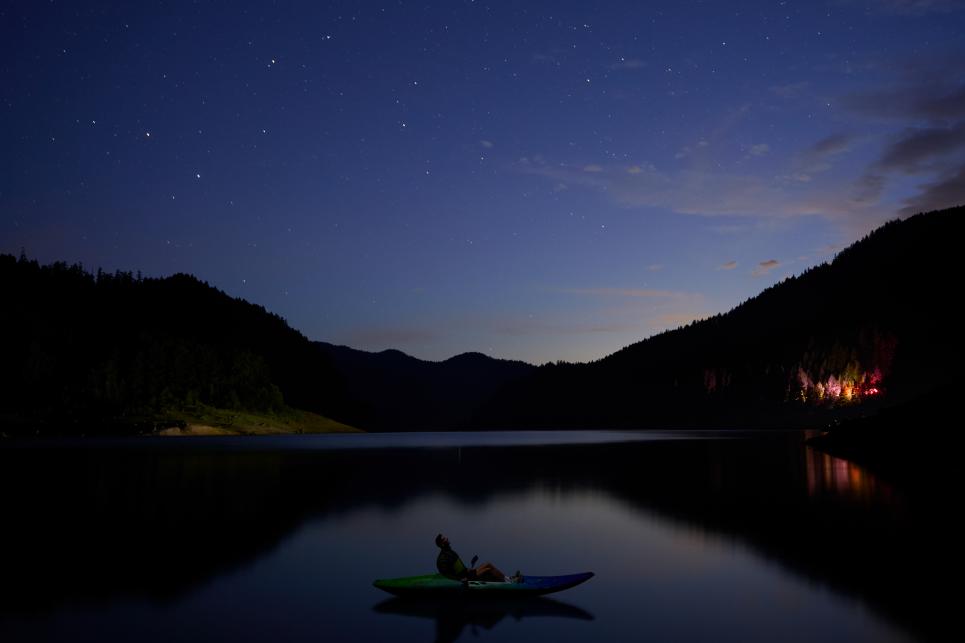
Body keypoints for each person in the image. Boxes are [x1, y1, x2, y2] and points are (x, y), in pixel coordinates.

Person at [435, 534, 521, 583]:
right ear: (442, 544)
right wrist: (459, 579)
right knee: (487, 570)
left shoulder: (450, 552)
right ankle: (509, 582)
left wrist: (467, 569)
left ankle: (508, 578)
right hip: (465, 578)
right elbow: (446, 574)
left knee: (488, 564)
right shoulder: (443, 558)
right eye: (444, 539)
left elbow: (459, 566)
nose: (447, 538)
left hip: (467, 573)